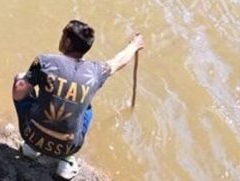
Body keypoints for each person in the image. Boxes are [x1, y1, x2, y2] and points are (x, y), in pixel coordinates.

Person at [12, 20, 145, 180]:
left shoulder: (45, 61)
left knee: (21, 80)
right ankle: (65, 162)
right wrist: (134, 45)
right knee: (86, 108)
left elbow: (19, 93)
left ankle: (30, 150)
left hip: (30, 136)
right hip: (68, 147)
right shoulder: (96, 71)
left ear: (67, 41)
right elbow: (118, 61)